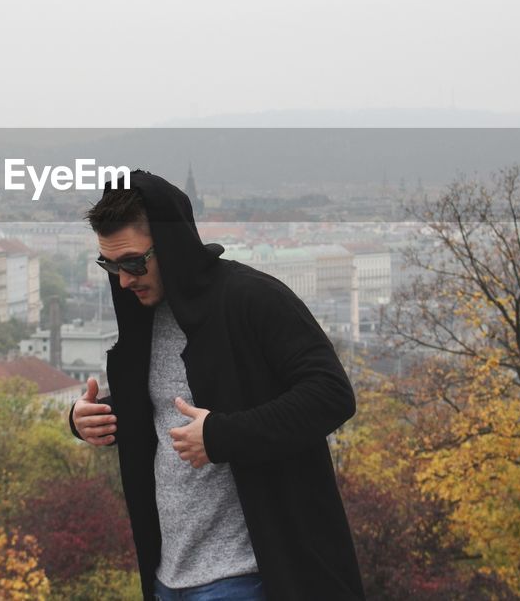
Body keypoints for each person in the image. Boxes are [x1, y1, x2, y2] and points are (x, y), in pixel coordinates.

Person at [68, 170, 363, 601]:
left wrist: (221, 435)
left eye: (132, 262)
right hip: (168, 575)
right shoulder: (145, 316)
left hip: (250, 575)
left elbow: (331, 394)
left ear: (170, 245)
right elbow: (169, 406)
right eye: (110, 266)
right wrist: (91, 418)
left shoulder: (253, 298)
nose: (124, 280)